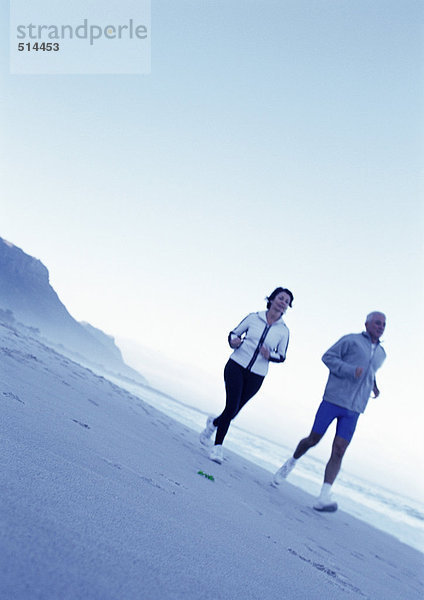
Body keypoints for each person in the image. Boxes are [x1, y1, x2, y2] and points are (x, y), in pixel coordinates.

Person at [272, 311, 387, 512]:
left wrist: (374, 385)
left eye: (384, 324)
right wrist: (350, 371)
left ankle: (323, 496)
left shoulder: (382, 353)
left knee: (340, 449)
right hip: (334, 399)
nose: (381, 326)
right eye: (377, 322)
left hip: (355, 408)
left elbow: (369, 370)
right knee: (313, 439)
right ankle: (291, 462)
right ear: (367, 323)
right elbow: (328, 357)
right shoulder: (351, 340)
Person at [199, 287, 293, 464]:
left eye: (287, 302)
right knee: (231, 406)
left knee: (232, 412)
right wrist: (234, 341)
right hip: (236, 365)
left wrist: (269, 355)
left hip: (257, 376)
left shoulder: (283, 331)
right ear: (272, 299)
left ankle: (213, 424)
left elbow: (282, 355)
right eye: (281, 298)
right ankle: (217, 447)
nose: (283, 302)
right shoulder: (253, 317)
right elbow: (234, 333)